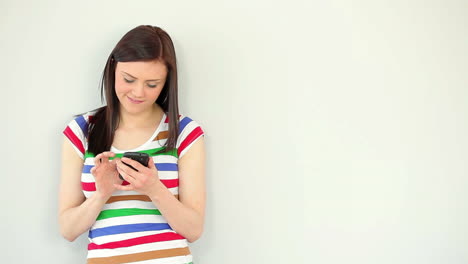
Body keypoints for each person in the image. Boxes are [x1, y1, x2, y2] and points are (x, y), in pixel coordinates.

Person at [59, 25, 206, 264]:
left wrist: (154, 188)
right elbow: (68, 229)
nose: (138, 92)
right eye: (129, 79)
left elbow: (193, 230)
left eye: (152, 84)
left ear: (167, 81)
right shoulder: (81, 131)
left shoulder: (185, 132)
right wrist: (102, 194)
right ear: (113, 68)